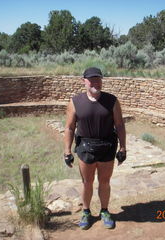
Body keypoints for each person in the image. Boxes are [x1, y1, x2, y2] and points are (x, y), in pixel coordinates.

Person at [63, 67, 126, 230]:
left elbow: (119, 125)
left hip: (107, 147)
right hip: (85, 148)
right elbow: (69, 128)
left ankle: (105, 211)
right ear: (84, 81)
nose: (95, 82)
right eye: (91, 79)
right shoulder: (75, 101)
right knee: (87, 182)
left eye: (98, 79)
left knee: (104, 182)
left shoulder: (112, 101)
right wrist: (67, 151)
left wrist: (123, 148)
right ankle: (86, 212)